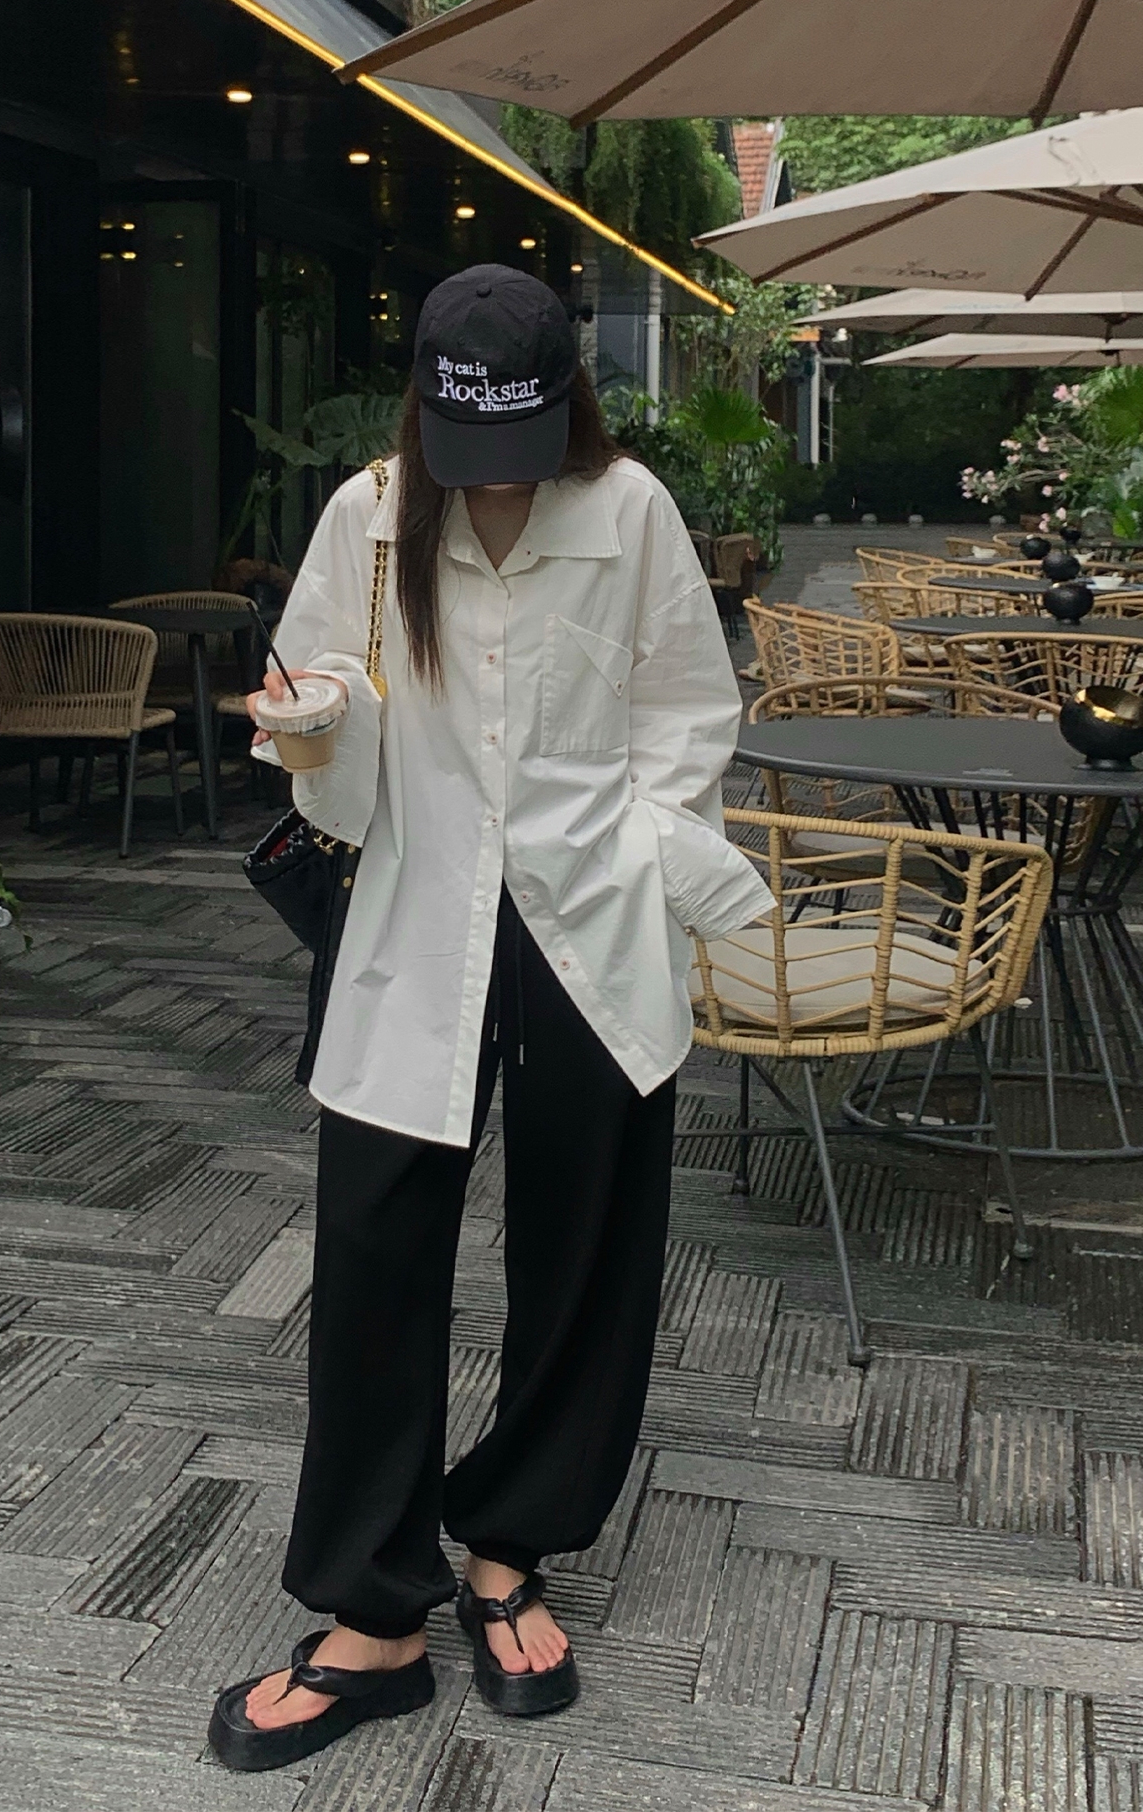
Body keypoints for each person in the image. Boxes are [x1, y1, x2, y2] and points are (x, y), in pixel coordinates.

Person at [209, 264, 770, 1772]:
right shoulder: (371, 512)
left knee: (587, 1242)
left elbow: (687, 712)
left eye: (521, 449)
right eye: (472, 453)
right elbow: (325, 709)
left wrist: (649, 853)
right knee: (374, 1241)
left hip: (595, 915)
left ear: (564, 406)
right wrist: (312, 732)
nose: (495, 483)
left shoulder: (631, 512)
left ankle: (512, 1548)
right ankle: (372, 1614)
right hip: (417, 909)